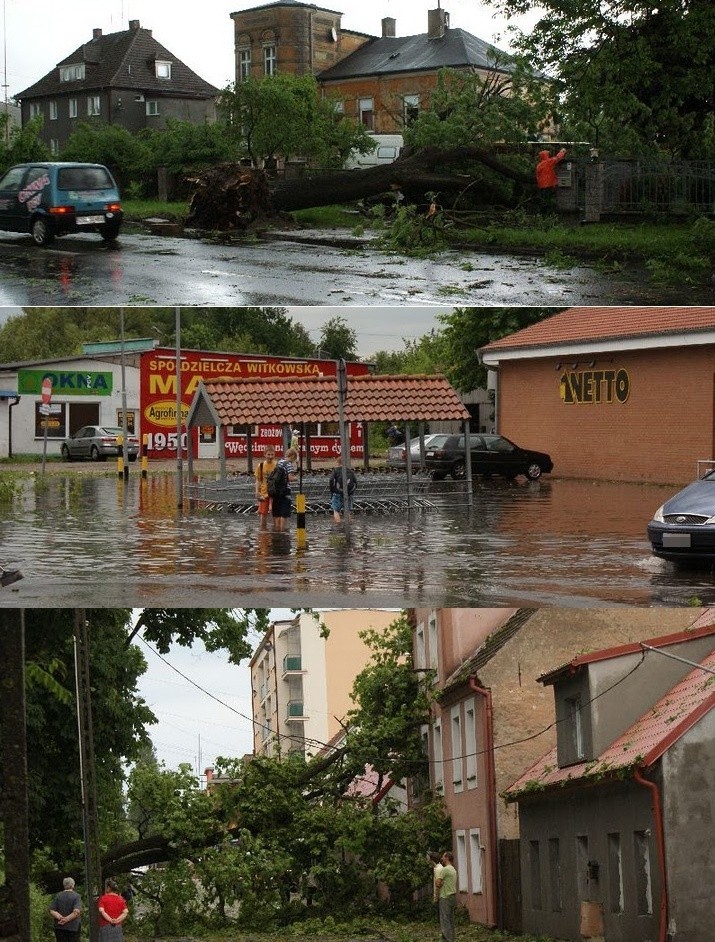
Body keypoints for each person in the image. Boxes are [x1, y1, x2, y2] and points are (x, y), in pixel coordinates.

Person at [271, 446, 298, 531]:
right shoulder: (288, 464)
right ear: (293, 456)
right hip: (285, 490)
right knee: (284, 513)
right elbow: (290, 478)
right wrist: (296, 478)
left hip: (276, 490)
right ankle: (283, 531)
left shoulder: (279, 462)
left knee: (277, 512)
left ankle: (276, 530)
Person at [49, 877, 82, 942]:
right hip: (73, 927)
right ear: (73, 885)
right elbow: (76, 912)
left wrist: (61, 918)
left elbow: (51, 910)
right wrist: (66, 919)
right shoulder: (76, 896)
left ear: (64, 885)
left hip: (59, 927)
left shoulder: (58, 895)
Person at [436, 851, 457, 942]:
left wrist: (439, 882)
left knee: (445, 920)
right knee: (450, 919)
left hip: (445, 896)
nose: (442, 858)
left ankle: (448, 939)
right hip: (452, 896)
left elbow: (438, 883)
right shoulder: (453, 869)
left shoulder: (445, 870)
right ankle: (451, 938)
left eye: (443, 857)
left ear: (447, 858)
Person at [254, 445, 277, 528]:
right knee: (263, 513)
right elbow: (258, 480)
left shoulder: (277, 465)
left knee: (275, 514)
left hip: (275, 493)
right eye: (268, 454)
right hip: (264, 493)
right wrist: (257, 491)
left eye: (272, 455)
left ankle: (276, 532)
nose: (270, 457)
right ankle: (263, 532)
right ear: (265, 455)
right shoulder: (260, 466)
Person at [329, 459, 357, 523]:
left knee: (336, 511)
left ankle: (338, 525)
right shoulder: (350, 471)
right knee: (347, 511)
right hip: (348, 493)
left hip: (337, 493)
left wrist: (333, 490)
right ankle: (349, 525)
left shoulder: (335, 471)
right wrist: (351, 492)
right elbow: (355, 482)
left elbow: (331, 480)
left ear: (338, 463)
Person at [427, 851, 444, 922]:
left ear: (432, 859)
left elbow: (438, 885)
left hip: (441, 896)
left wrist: (436, 898)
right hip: (441, 896)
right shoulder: (437, 868)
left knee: (442, 918)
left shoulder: (438, 869)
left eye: (428, 858)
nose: (427, 860)